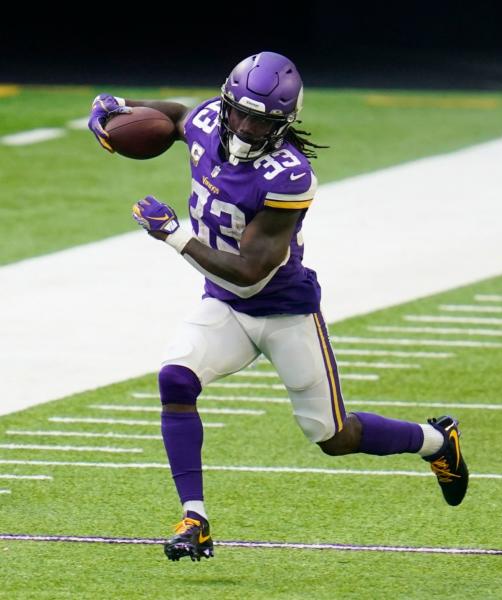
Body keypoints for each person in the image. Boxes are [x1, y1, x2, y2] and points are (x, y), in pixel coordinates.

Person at [87, 51, 468, 563]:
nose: (245, 126)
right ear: (225, 101)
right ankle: (194, 518)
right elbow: (175, 116)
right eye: (239, 112)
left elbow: (251, 272)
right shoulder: (207, 119)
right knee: (175, 378)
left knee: (333, 436)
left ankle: (435, 442)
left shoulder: (289, 175)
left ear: (283, 123)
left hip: (283, 310)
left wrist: (174, 235)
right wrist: (112, 107)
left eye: (261, 120)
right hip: (223, 306)